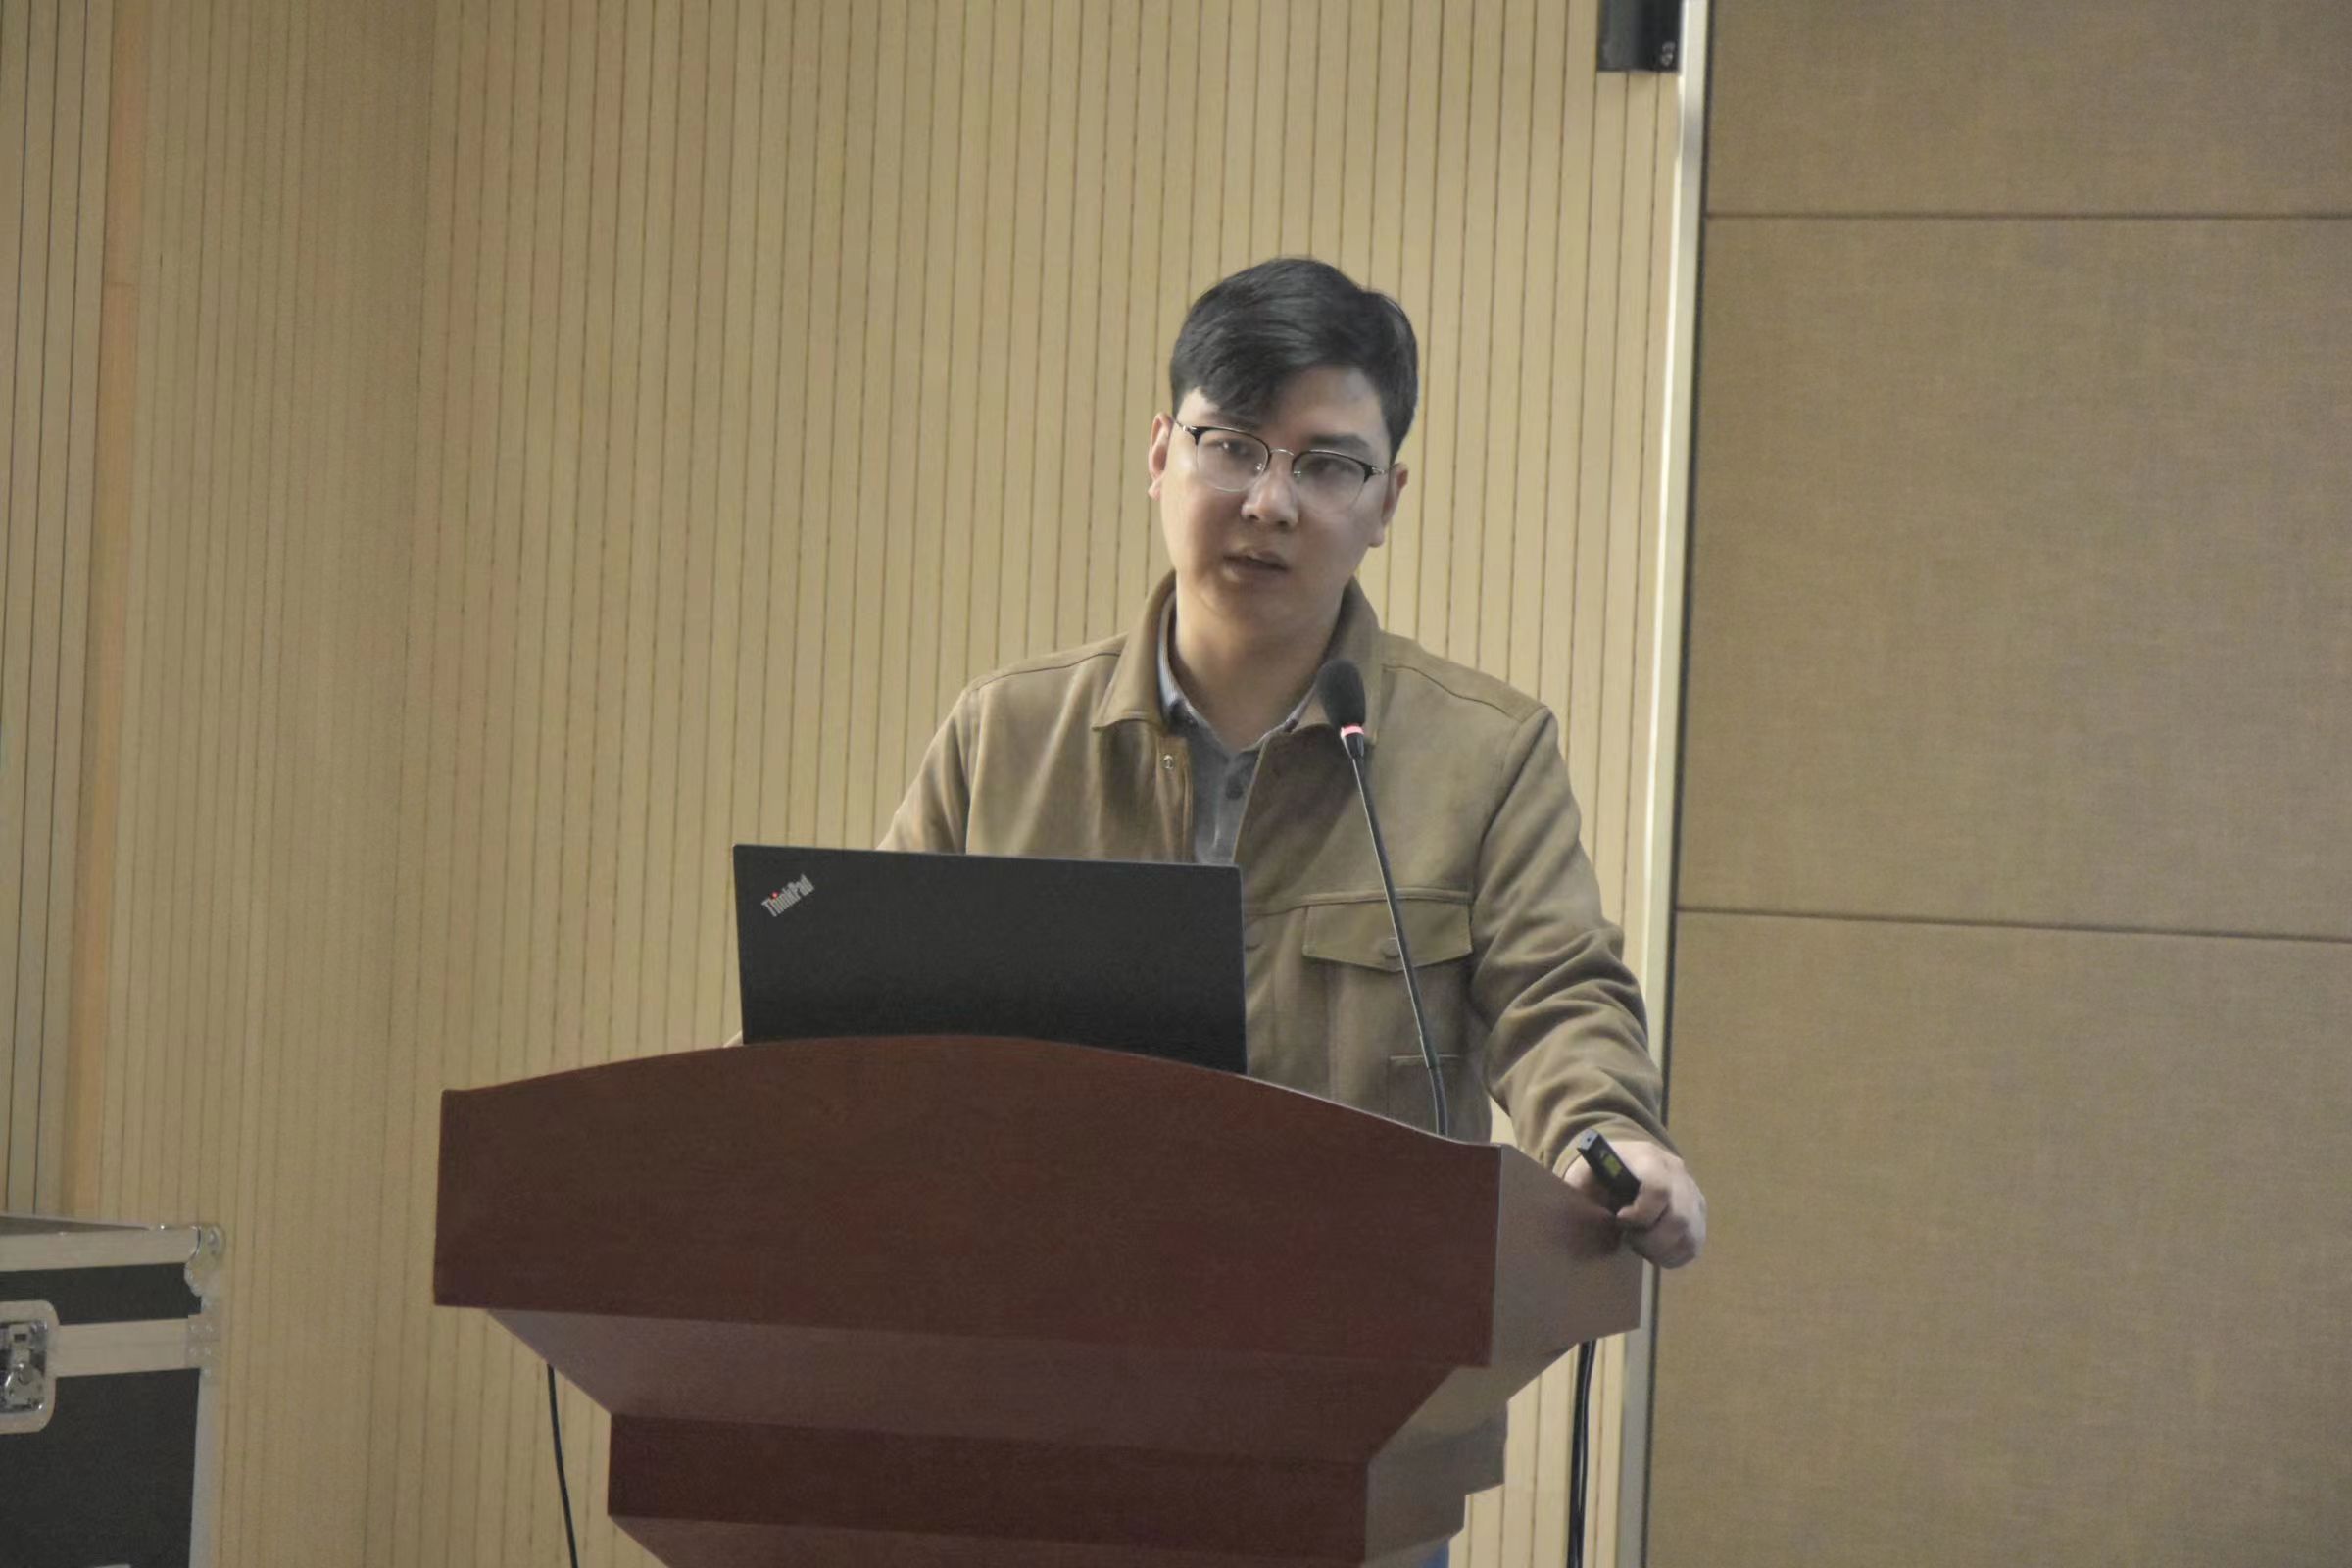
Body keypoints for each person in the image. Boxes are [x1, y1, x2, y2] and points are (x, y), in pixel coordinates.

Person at [882, 256, 1704, 1268]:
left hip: (1362, 1322)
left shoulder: (1486, 755)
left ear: (1388, 501)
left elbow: (1560, 997)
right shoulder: (1006, 735)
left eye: (1325, 467)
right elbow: (863, 1018)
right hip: (1040, 1314)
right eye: (1233, 447)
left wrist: (1610, 1135)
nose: (1270, 503)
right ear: (1159, 454)